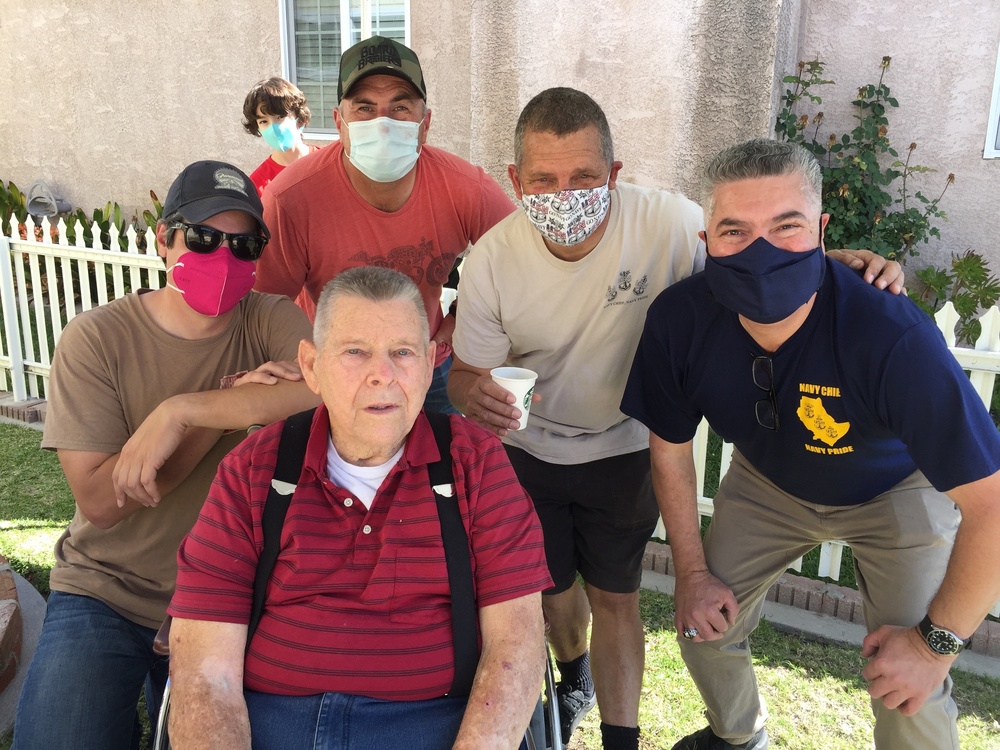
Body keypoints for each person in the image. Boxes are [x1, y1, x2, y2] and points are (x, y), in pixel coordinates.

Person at [446, 88, 903, 750]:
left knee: (616, 597)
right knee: (549, 596)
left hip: (628, 447)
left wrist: (831, 264)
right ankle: (574, 675)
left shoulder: (666, 223)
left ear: (616, 175)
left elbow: (751, 260)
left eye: (584, 177)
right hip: (531, 451)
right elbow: (465, 374)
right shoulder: (491, 258)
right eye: (543, 179)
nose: (563, 194)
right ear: (515, 181)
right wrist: (473, 393)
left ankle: (621, 740)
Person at [621, 138, 1000, 750]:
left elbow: (993, 504)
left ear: (822, 230)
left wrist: (936, 644)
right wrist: (689, 573)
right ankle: (738, 738)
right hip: (768, 482)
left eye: (787, 226)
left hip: (893, 488)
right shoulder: (680, 320)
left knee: (910, 686)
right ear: (706, 241)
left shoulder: (890, 333)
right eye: (735, 231)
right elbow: (668, 447)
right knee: (704, 626)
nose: (762, 250)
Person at [166, 266, 552, 750]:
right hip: (273, 722)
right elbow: (206, 672)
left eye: (403, 352)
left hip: (435, 721)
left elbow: (514, 647)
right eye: (355, 352)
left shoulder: (475, 464)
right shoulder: (254, 470)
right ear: (312, 366)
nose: (382, 375)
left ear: (431, 361)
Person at [12, 160, 320, 750]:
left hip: (234, 594)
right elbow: (103, 502)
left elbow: (328, 386)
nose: (224, 257)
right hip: (108, 588)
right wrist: (231, 407)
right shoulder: (98, 338)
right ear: (163, 238)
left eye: (244, 244)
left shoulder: (272, 318)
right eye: (203, 238)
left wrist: (184, 412)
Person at [253, 35, 515, 414]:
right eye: (364, 108)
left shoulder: (465, 189)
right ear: (338, 123)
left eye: (400, 106)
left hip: (428, 367)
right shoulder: (290, 198)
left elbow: (519, 261)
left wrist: (462, 317)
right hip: (334, 376)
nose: (383, 123)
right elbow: (264, 306)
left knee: (442, 466)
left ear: (425, 124)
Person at [242, 76, 319, 197]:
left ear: (299, 119)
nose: (273, 128)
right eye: (263, 122)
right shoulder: (256, 185)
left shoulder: (329, 161)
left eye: (279, 117)